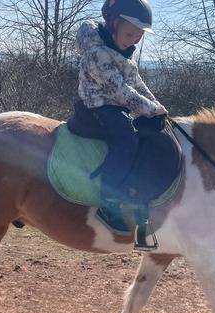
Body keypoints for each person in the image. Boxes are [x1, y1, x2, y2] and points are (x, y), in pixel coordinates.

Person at [74, 0, 168, 236]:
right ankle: (109, 203)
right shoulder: (97, 54)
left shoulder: (123, 55)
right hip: (99, 106)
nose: (133, 40)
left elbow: (137, 84)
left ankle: (134, 189)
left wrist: (157, 105)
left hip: (116, 107)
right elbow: (118, 90)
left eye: (138, 37)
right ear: (114, 24)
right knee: (126, 140)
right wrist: (148, 108)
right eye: (129, 33)